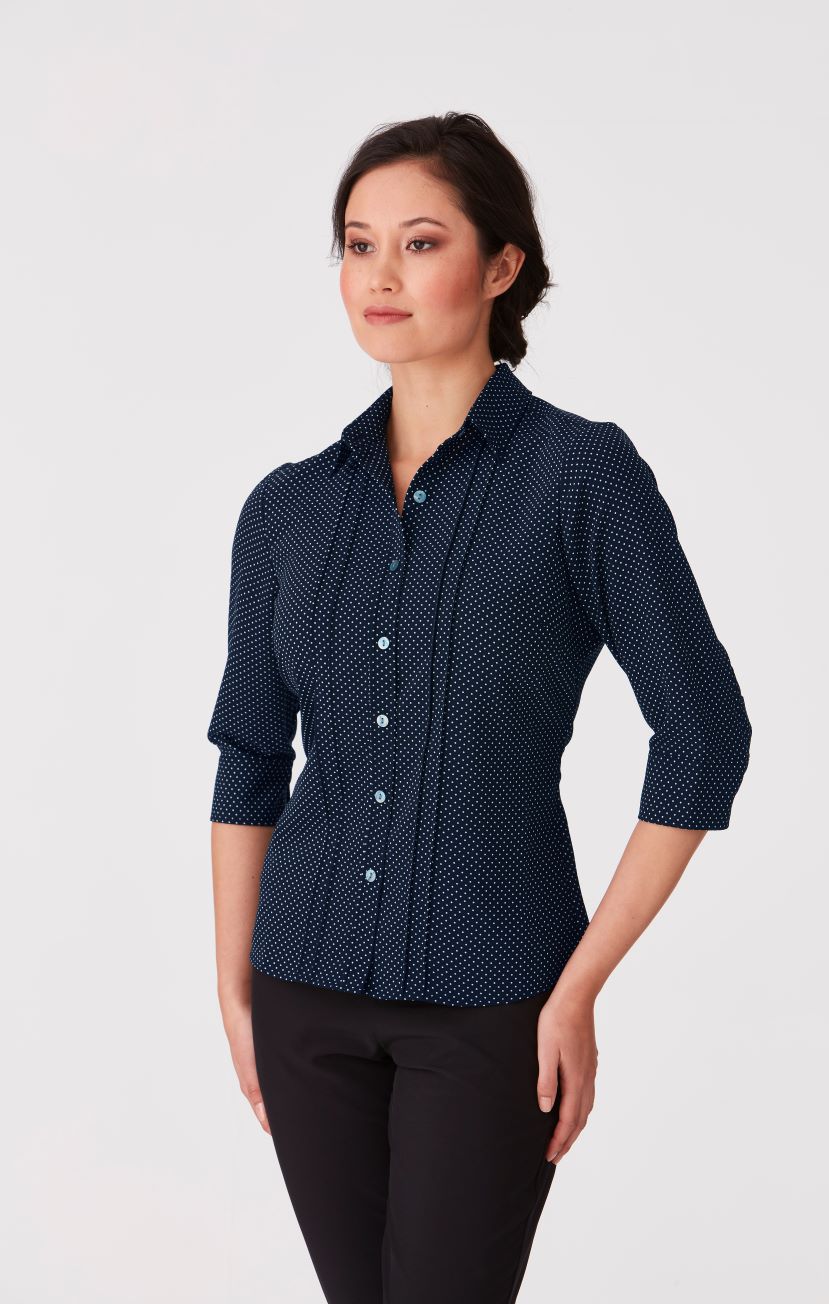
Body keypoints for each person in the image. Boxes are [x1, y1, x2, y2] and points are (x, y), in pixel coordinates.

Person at [206, 112, 752, 1304]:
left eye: (419, 242)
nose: (380, 276)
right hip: (300, 992)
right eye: (357, 245)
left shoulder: (579, 476)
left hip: (495, 999)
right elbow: (248, 754)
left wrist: (579, 984)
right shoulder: (285, 508)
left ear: (501, 265)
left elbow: (702, 728)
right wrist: (234, 988)